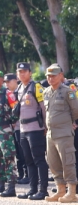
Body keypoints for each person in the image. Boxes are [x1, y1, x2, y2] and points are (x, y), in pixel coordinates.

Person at [43, 63, 78, 203]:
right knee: (53, 163)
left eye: (53, 75)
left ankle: (72, 193)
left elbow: (75, 110)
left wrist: (70, 122)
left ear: (61, 76)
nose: (50, 78)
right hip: (51, 134)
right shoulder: (46, 92)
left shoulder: (68, 91)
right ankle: (60, 191)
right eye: (48, 76)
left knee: (67, 163)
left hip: (64, 133)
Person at [14, 62, 48, 200]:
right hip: (23, 129)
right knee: (28, 160)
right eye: (19, 72)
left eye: (24, 71)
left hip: (35, 128)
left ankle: (43, 190)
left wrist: (46, 126)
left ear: (30, 73)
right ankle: (33, 189)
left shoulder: (36, 87)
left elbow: (44, 108)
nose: (21, 74)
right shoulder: (20, 88)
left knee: (39, 159)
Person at [4, 72, 29, 185]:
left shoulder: (19, 92)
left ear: (15, 80)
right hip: (14, 127)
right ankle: (21, 174)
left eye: (9, 81)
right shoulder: (9, 94)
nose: (7, 84)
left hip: (22, 126)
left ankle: (28, 174)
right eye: (6, 82)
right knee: (18, 153)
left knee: (24, 152)